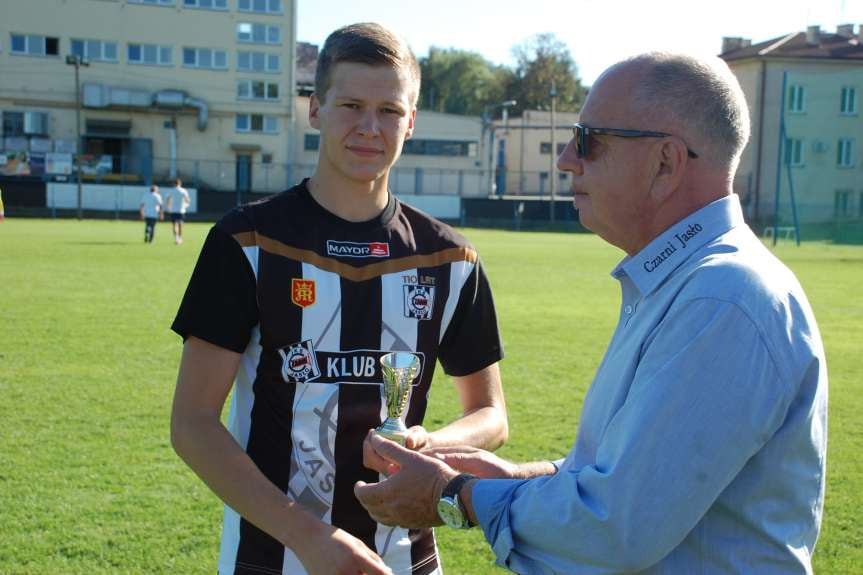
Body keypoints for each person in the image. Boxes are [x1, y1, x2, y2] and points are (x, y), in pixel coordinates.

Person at [355, 52, 828, 574]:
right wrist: (513, 479)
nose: (565, 159)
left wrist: (455, 495)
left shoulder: (722, 298)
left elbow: (614, 528)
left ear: (666, 163)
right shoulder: (688, 285)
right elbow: (624, 475)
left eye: (588, 139)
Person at [169, 22, 508, 575]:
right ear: (315, 109)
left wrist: (429, 442)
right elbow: (193, 423)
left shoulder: (449, 259)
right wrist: (308, 536)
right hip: (274, 556)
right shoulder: (248, 242)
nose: (369, 128)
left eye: (390, 111)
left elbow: (490, 414)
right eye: (350, 105)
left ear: (412, 121)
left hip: (407, 558)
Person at [165, 178, 190, 244]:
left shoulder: (171, 190)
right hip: (181, 210)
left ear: (174, 184)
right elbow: (187, 200)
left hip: (173, 210)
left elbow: (167, 199)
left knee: (174, 225)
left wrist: (168, 207)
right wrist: (186, 205)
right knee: (180, 225)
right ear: (180, 184)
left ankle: (176, 238)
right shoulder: (183, 191)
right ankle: (180, 238)